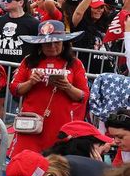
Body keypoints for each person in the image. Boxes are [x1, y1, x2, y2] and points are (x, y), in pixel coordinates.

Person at [9, 20, 89, 156]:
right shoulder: (28, 61)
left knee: (55, 163)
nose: (52, 46)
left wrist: (68, 87)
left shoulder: (75, 63)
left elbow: (83, 96)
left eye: (57, 42)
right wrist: (30, 82)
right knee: (25, 160)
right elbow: (14, 88)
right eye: (47, 43)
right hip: (31, 123)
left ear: (64, 43)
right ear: (40, 44)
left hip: (60, 125)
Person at [0, 0, 39, 117]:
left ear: (21, 2)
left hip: (21, 70)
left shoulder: (33, 23)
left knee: (23, 104)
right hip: (0, 70)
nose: (5, 1)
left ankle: (19, 129)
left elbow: (39, 47)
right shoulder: (0, 21)